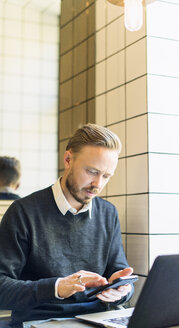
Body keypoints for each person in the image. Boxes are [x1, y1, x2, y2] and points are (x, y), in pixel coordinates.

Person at [0, 124, 134, 328]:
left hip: (99, 318)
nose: (97, 184)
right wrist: (57, 287)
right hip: (42, 320)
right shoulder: (23, 212)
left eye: (106, 176)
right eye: (92, 172)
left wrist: (122, 290)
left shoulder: (108, 213)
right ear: (68, 160)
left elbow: (119, 272)